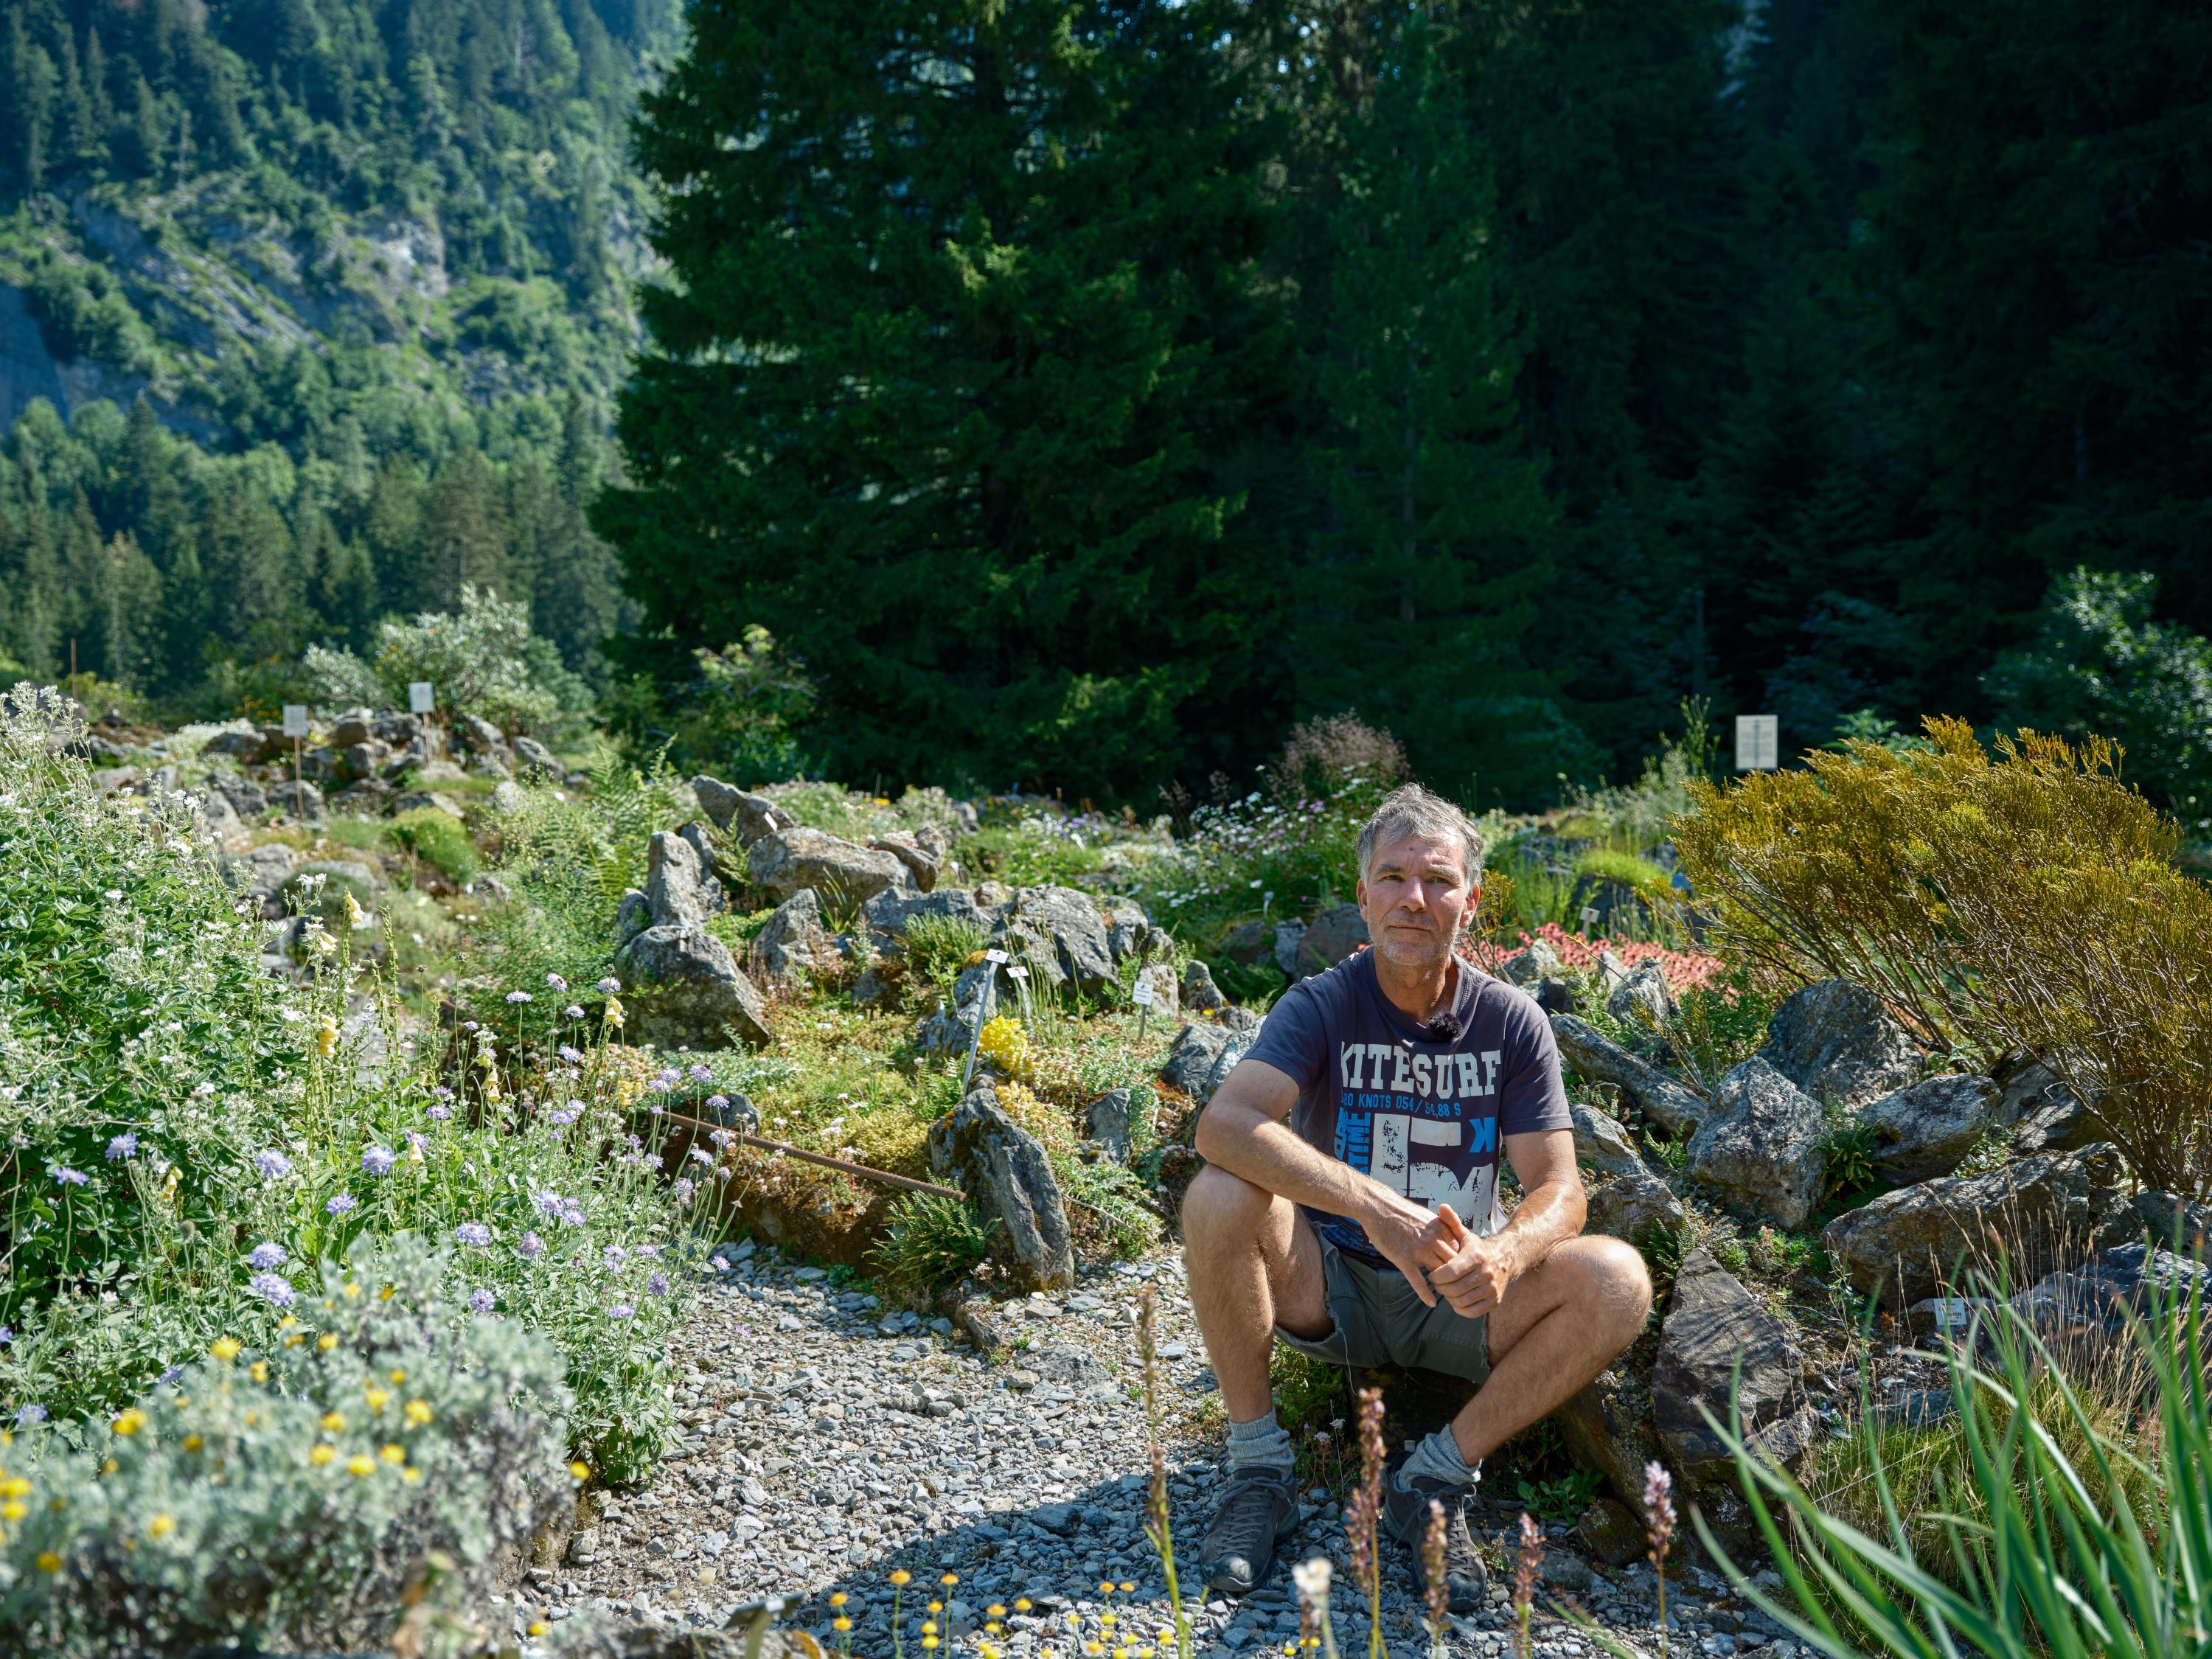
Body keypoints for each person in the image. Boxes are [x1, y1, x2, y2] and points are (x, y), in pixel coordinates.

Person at [1183, 783, 1654, 1610]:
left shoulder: (1511, 1022)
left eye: (1438, 880)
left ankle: (1435, 1478)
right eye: (1394, 878)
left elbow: (1561, 1189)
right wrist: (1377, 1209)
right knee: (1221, 1193)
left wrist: (1504, 1252)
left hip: (1461, 1298)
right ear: (1362, 898)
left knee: (1618, 1279)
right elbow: (1223, 1125)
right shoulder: (1324, 1003)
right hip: (1330, 1281)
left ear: (1470, 902)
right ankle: (1259, 1472)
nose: (1414, 899)